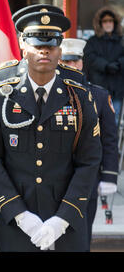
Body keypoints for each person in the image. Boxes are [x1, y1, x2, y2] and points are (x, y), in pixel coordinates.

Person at [0, 8, 102, 251]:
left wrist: (63, 217)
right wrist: (19, 213)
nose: (45, 51)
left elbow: (89, 159)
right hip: (14, 219)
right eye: (37, 44)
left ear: (60, 49)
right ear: (23, 45)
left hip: (67, 222)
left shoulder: (77, 91)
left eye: (52, 45)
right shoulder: (2, 88)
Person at [60, 38, 119, 249]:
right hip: (54, 179)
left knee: (81, 238)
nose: (71, 66)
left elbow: (109, 140)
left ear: (82, 63)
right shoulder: (48, 94)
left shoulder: (99, 96)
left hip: (87, 179)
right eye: (66, 62)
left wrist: (109, 175)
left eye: (75, 61)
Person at [84, 6, 124, 124]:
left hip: (117, 88)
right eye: (105, 21)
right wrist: (105, 65)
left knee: (114, 119)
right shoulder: (92, 41)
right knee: (97, 119)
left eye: (110, 21)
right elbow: (89, 58)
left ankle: (112, 142)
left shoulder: (121, 40)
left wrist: (118, 64)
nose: (108, 24)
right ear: (100, 23)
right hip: (99, 86)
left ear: (115, 23)